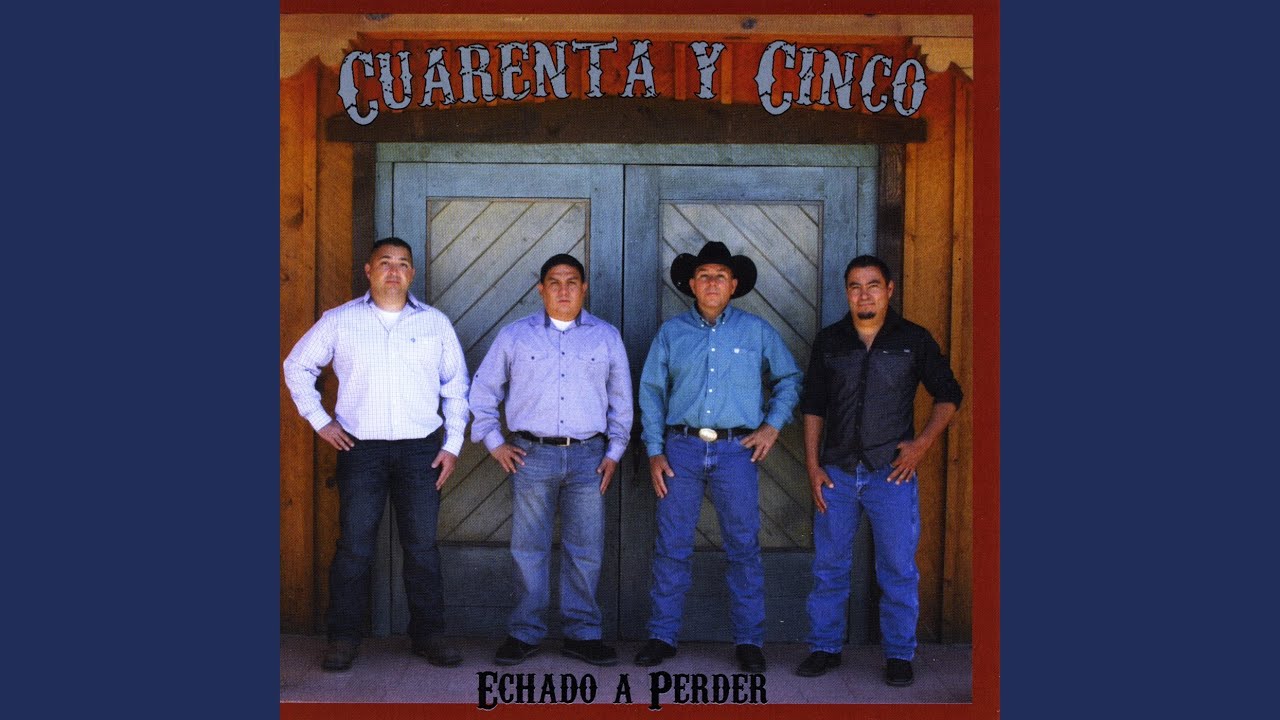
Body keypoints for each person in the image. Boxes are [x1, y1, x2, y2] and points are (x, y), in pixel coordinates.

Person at [283, 236, 469, 672]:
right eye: (385, 262)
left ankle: (429, 636)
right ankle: (343, 639)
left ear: (412, 274)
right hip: (360, 449)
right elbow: (297, 366)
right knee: (354, 547)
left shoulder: (435, 324)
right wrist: (320, 420)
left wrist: (453, 444)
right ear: (368, 271)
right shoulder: (340, 320)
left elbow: (456, 386)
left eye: (402, 263)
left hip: (421, 450)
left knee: (421, 548)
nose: (393, 271)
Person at [793, 254, 962, 687]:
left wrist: (921, 445)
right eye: (855, 286)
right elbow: (813, 405)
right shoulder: (830, 341)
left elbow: (949, 395)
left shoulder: (913, 339)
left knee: (898, 568)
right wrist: (812, 466)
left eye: (872, 285)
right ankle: (824, 647)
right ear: (846, 292)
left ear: (889, 290)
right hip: (837, 473)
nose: (863, 294)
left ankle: (899, 655)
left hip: (891, 474)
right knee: (829, 566)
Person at [634, 240, 802, 673]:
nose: (712, 283)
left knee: (743, 547)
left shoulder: (757, 331)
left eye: (721, 276)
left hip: (736, 452)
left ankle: (749, 641)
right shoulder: (671, 333)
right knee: (672, 546)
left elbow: (789, 379)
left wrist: (772, 426)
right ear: (691, 284)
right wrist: (654, 450)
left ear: (734, 284)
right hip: (681, 450)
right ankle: (662, 636)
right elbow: (651, 393)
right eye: (704, 276)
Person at [468, 254, 633, 668]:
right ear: (541, 289)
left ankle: (583, 634)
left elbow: (622, 400)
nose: (563, 290)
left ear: (584, 289)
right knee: (529, 548)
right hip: (531, 456)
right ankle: (524, 633)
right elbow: (482, 392)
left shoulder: (606, 337)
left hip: (589, 457)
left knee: (585, 548)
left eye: (572, 282)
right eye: (554, 282)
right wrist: (495, 442)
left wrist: (614, 452)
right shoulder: (514, 336)